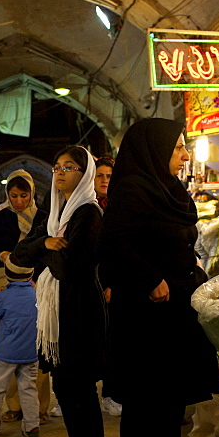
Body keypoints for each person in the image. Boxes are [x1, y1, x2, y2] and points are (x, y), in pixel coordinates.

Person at [100, 118, 218, 437]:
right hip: (144, 319)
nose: (185, 155)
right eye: (178, 148)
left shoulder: (169, 191)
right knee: (144, 407)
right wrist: (149, 278)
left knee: (169, 405)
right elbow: (114, 245)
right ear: (153, 150)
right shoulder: (133, 192)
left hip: (174, 315)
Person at [12, 146, 109, 437]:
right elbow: (21, 254)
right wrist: (47, 243)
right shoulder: (54, 215)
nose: (60, 172)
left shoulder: (89, 213)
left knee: (80, 393)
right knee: (66, 392)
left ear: (84, 173)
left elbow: (71, 267)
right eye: (57, 166)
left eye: (69, 166)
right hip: (55, 316)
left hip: (79, 314)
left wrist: (44, 254)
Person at [0, 169, 50, 424]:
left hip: (37, 290)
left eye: (24, 195)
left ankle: (40, 408)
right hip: (8, 290)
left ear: (32, 193)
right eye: (14, 196)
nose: (19, 201)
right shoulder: (1, 218)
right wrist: (0, 253)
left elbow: (49, 252)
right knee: (9, 348)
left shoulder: (43, 217)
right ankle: (14, 406)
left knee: (39, 351)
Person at [0, 257, 41, 437]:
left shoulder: (3, 296)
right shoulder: (38, 295)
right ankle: (32, 426)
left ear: (8, 275)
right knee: (29, 388)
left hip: (7, 353)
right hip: (30, 351)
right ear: (31, 274)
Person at [94, 155, 121, 418]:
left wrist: (112, 282)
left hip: (111, 285)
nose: (104, 181)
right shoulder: (87, 206)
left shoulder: (120, 205)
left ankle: (110, 393)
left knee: (112, 341)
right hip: (90, 282)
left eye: (109, 176)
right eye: (100, 175)